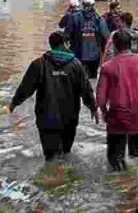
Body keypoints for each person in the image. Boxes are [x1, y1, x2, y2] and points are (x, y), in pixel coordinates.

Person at [7, 32, 97, 161]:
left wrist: (14, 103)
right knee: (66, 153)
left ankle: (51, 177)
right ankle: (66, 178)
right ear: (65, 44)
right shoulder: (76, 65)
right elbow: (86, 90)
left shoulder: (38, 64)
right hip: (69, 119)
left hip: (46, 119)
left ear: (51, 45)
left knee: (50, 157)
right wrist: (93, 108)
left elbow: (25, 89)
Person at [97, 30, 138, 171]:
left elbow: (101, 98)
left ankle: (120, 186)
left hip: (118, 115)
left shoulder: (107, 67)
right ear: (131, 44)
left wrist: (104, 112)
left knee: (116, 159)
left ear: (115, 46)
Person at [70, 0, 109, 78]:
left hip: (78, 55)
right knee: (93, 80)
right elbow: (106, 37)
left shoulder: (74, 17)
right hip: (94, 56)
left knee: (78, 80)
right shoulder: (99, 19)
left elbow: (68, 35)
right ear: (94, 5)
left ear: (82, 4)